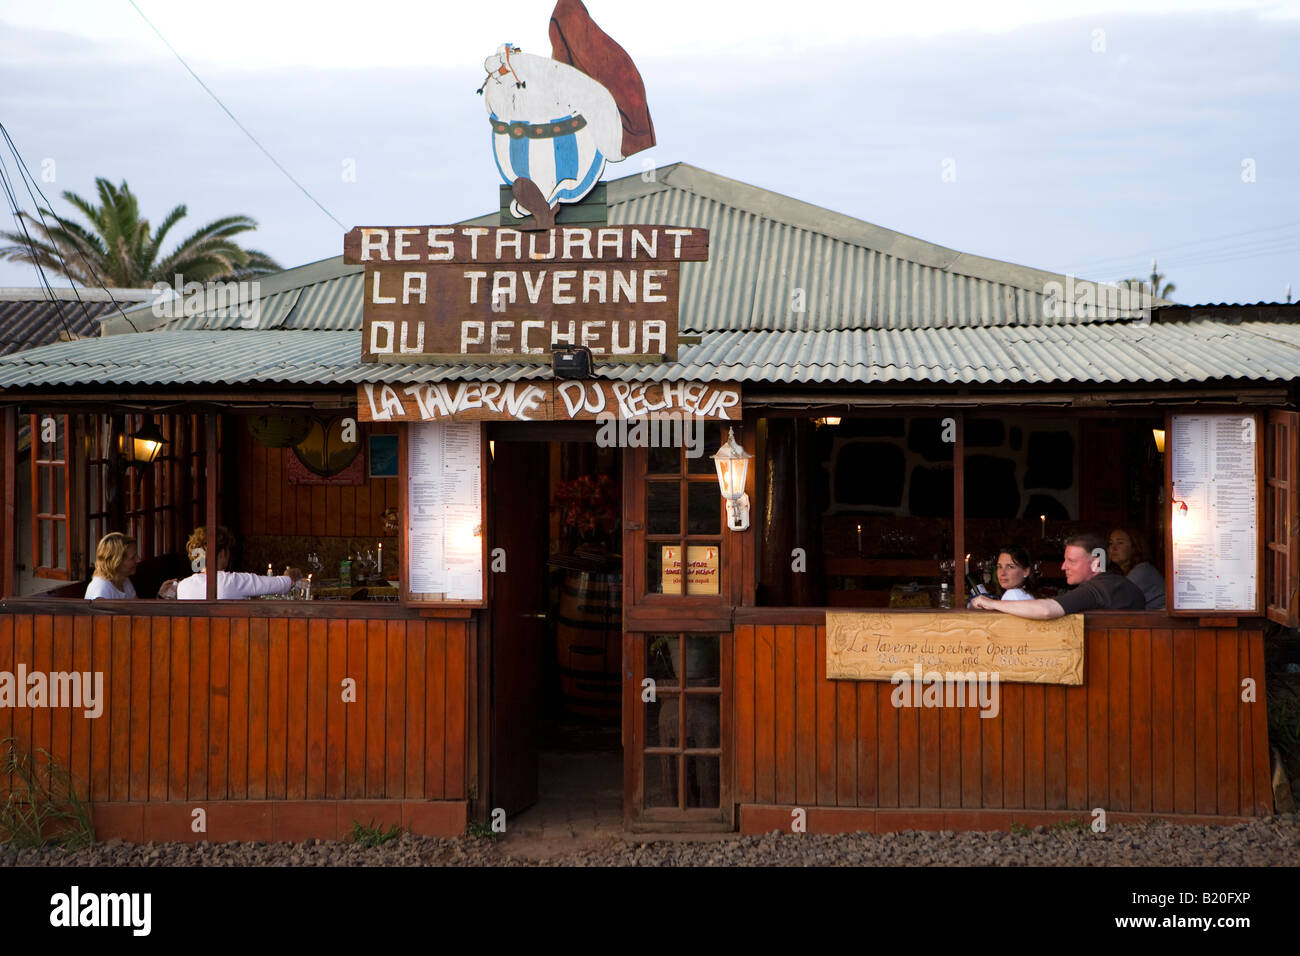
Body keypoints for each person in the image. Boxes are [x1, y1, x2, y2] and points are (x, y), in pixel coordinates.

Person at [970, 532, 1146, 618]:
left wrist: (990, 602)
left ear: (1096, 562)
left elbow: (1047, 611)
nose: (1063, 567)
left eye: (1071, 561)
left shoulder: (1096, 589)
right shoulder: (1118, 583)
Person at [176, 525, 302, 600]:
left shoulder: (183, 586)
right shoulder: (233, 581)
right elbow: (280, 584)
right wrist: (289, 576)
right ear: (222, 553)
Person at [1107, 527, 1166, 610]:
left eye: (1120, 543)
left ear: (1134, 547)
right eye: (1110, 543)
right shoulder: (1121, 572)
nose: (1113, 548)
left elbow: (1112, 601)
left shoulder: (1143, 570)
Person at [84, 532, 139, 600]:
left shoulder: (123, 580)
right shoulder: (102, 589)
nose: (138, 560)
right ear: (116, 562)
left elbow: (139, 608)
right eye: (133, 557)